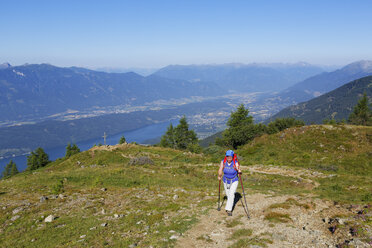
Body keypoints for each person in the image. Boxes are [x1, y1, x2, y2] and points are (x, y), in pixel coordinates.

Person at [218, 150, 241, 216]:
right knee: (228, 194)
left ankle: (229, 210)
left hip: (234, 180)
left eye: (230, 157)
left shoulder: (235, 162)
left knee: (231, 194)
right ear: (226, 156)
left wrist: (239, 171)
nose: (229, 158)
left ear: (232, 157)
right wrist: (219, 175)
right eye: (227, 156)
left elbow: (238, 168)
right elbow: (220, 169)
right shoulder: (223, 162)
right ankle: (231, 203)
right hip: (226, 180)